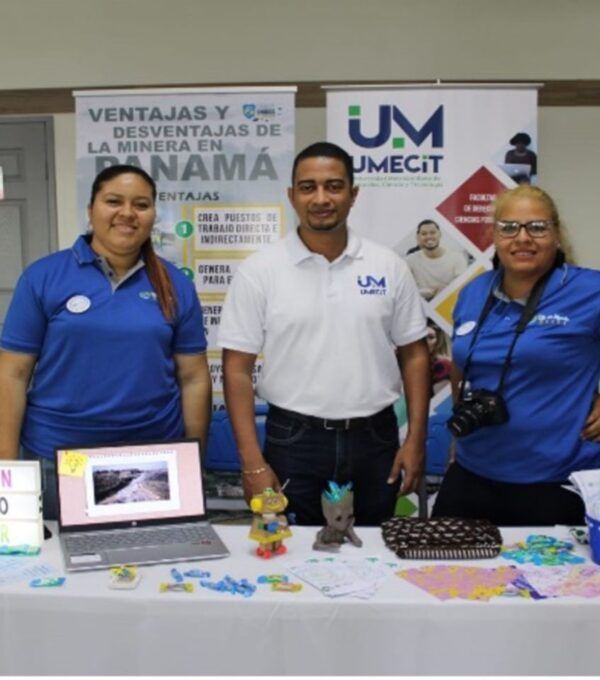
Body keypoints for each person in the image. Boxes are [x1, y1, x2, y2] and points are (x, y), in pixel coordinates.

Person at [218, 142, 430, 527]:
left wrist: (415, 440)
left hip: (377, 439)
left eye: (333, 186)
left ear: (353, 194)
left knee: (376, 554)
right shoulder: (260, 270)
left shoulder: (389, 265)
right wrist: (251, 463)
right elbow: (236, 369)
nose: (320, 198)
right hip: (294, 440)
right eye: (307, 187)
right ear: (291, 195)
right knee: (292, 557)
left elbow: (414, 354)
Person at [0, 164, 212, 519]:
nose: (127, 213)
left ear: (152, 215)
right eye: (114, 201)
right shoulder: (43, 277)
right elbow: (12, 375)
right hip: (59, 460)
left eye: (141, 205)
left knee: (148, 565)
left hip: (152, 461)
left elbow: (193, 379)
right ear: (91, 209)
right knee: (65, 567)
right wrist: (6, 471)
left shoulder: (175, 284)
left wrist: (194, 463)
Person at [432, 185, 600, 526]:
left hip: (557, 481)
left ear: (556, 234)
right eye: (509, 227)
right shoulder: (474, 292)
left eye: (537, 227)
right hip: (471, 473)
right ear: (494, 236)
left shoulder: (589, 291)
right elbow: (461, 368)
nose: (522, 238)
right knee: (446, 575)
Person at [404, 220, 467, 300]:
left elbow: (464, 288)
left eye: (433, 233)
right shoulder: (410, 260)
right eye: (424, 234)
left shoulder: (457, 258)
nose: (429, 236)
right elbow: (403, 288)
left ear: (439, 234)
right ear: (418, 237)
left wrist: (445, 290)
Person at [426, 320, 451, 395]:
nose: (425, 341)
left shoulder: (442, 364)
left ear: (438, 342)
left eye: (430, 337)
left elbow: (441, 401)